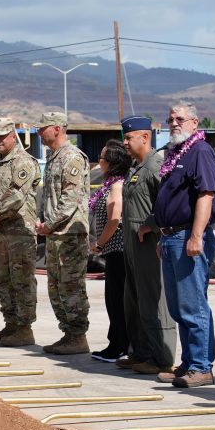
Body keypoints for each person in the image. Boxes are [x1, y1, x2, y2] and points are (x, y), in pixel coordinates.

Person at [152, 103, 215, 388]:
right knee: (179, 307)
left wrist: (196, 235)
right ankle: (190, 363)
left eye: (180, 119)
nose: (174, 123)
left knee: (193, 306)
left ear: (194, 122)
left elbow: (206, 194)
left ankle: (202, 366)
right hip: (171, 237)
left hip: (187, 236)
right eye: (170, 119)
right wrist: (162, 235)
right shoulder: (177, 151)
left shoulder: (200, 151)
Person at [118, 116, 177, 376]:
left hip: (149, 245)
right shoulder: (136, 168)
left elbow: (167, 203)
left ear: (145, 137)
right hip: (132, 245)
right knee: (134, 299)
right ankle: (141, 351)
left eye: (129, 137)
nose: (125, 142)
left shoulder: (156, 166)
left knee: (154, 299)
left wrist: (151, 224)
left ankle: (161, 357)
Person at [0, 118, 41, 347]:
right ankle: (11, 324)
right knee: (2, 281)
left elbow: (17, 195)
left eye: (2, 137)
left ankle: (24, 328)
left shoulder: (24, 162)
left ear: (14, 136)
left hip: (19, 233)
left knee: (21, 279)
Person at [34, 111, 91, 355]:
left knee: (71, 286)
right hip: (55, 234)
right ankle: (68, 333)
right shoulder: (54, 158)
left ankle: (78, 336)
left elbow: (70, 200)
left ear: (57, 129)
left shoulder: (71, 157)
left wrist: (49, 224)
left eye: (42, 128)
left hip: (69, 234)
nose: (39, 133)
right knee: (56, 286)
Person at [89, 140, 131, 362]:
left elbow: (115, 219)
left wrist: (100, 244)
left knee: (116, 300)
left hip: (118, 250)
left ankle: (120, 345)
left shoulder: (117, 186)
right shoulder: (111, 183)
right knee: (113, 299)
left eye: (103, 158)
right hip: (113, 250)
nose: (99, 161)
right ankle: (116, 342)